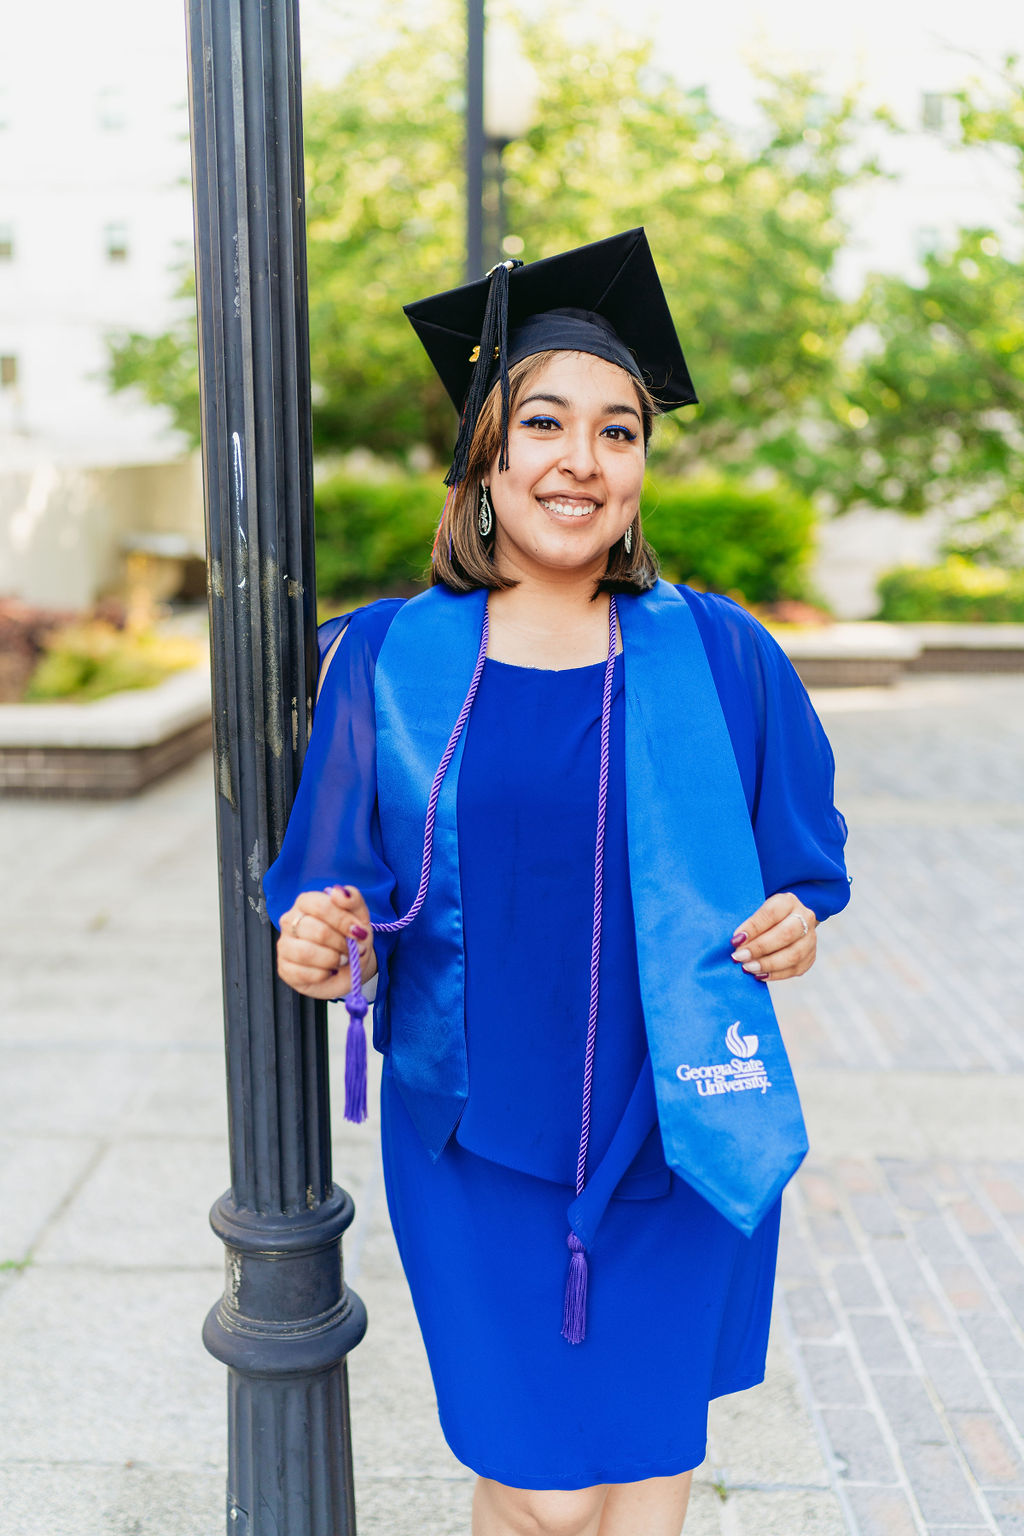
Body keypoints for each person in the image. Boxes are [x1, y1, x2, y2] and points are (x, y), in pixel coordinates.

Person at [263, 228, 850, 1536]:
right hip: (475, 1135)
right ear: (486, 452)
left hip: (677, 1123)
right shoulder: (388, 660)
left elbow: (803, 864)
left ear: (643, 467)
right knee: (543, 1485)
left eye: (619, 431)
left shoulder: (721, 655)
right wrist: (321, 940)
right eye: (544, 422)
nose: (581, 460)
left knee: (644, 1478)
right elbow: (331, 893)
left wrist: (795, 921)